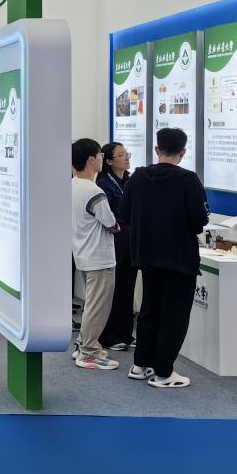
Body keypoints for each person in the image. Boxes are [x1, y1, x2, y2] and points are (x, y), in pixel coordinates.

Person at [119, 127, 209, 388]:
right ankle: (163, 372)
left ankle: (140, 364)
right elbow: (199, 221)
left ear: (157, 149)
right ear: (183, 152)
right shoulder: (189, 180)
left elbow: (124, 214)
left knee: (149, 308)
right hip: (180, 258)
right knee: (175, 315)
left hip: (147, 255)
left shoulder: (138, 177)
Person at [70, 138, 120, 370]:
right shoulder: (94, 191)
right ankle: (89, 352)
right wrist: (115, 226)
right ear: (91, 159)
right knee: (97, 307)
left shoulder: (71, 185)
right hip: (99, 257)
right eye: (100, 154)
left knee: (91, 305)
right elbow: (110, 222)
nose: (102, 158)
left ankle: (83, 344)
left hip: (82, 254)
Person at [97, 142, 136, 351]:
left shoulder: (130, 180)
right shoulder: (104, 184)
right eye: (121, 155)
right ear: (110, 161)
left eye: (126, 153)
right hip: (115, 238)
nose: (126, 157)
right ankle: (109, 335)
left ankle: (125, 333)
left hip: (131, 238)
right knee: (114, 288)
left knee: (128, 286)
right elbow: (107, 216)